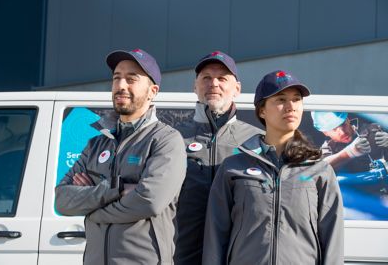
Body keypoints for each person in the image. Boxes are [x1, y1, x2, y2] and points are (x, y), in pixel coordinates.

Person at [55, 48, 186, 265]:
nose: (121, 86)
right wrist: (114, 190)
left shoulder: (166, 140)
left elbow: (149, 201)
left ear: (152, 91)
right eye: (116, 78)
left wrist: (93, 212)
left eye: (131, 79)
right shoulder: (97, 143)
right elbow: (62, 200)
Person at [202, 70, 344, 265]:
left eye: (297, 99)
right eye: (281, 99)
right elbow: (216, 235)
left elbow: (333, 237)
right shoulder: (233, 167)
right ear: (262, 110)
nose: (291, 106)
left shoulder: (319, 170)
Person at [174, 51, 263, 265]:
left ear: (237, 89)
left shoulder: (256, 141)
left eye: (222, 78)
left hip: (238, 256)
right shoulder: (172, 139)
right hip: (181, 255)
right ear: (195, 87)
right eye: (206, 78)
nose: (214, 83)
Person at [311, 111, 388, 172]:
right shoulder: (328, 149)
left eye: (343, 124)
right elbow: (318, 169)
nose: (343, 132)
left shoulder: (374, 129)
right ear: (325, 132)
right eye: (334, 129)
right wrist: (350, 152)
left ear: (347, 120)